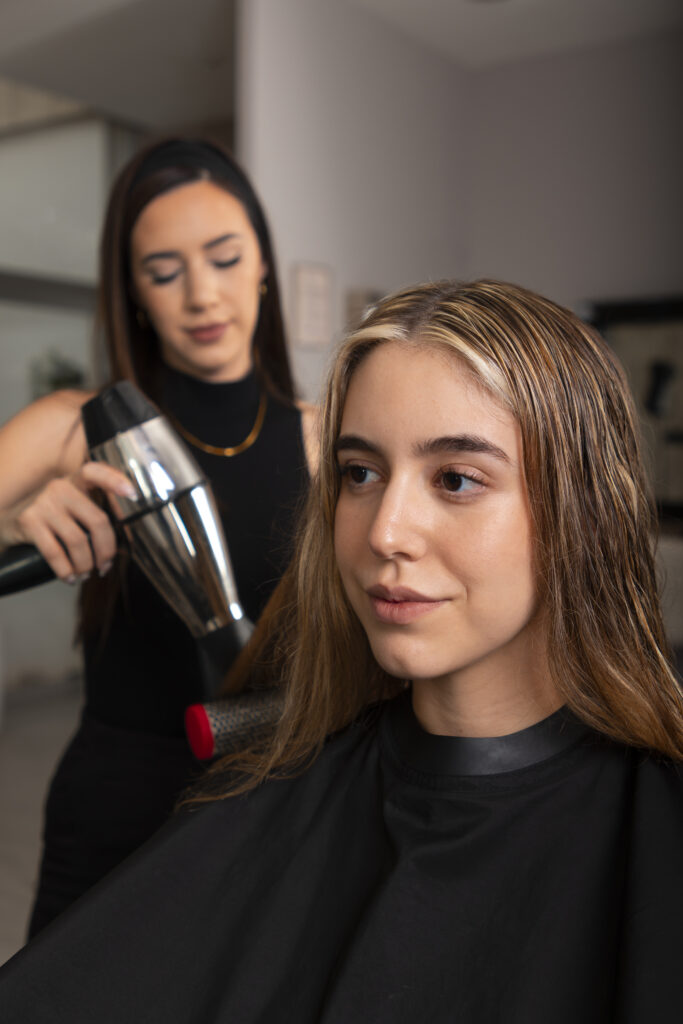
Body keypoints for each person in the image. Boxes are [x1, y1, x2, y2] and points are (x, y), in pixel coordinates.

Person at [1, 279, 681, 1022]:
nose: (385, 531)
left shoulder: (649, 831)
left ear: (581, 510)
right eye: (359, 473)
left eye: (456, 479)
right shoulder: (280, 798)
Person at [0, 138, 317, 936]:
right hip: (116, 798)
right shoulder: (74, 429)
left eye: (223, 257)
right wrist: (8, 523)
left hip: (273, 792)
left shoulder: (327, 439)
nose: (201, 295)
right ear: (134, 292)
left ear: (263, 267)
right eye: (165, 272)